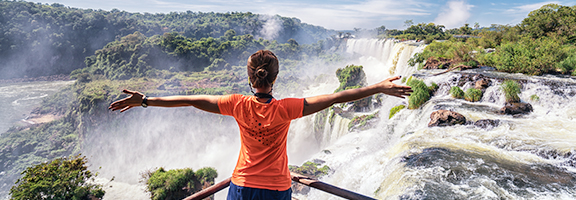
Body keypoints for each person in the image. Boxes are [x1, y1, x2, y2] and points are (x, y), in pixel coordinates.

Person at [108, 50, 412, 200]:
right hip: (277, 188)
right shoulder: (288, 108)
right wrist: (377, 88)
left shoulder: (236, 104)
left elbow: (189, 100)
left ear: (250, 77)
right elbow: (336, 97)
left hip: (241, 186)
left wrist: (145, 100)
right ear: (275, 78)